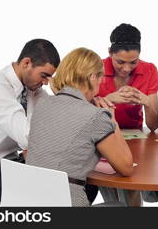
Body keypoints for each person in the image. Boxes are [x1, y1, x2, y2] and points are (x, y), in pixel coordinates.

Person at [26, 47, 133, 207]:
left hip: (31, 203)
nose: (101, 83)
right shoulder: (96, 117)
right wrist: (112, 119)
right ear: (92, 77)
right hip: (65, 204)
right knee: (120, 206)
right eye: (100, 77)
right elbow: (126, 167)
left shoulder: (42, 104)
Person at [0, 39, 60, 201]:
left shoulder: (33, 88)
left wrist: (63, 97)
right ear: (27, 63)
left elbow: (58, 122)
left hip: (11, 165)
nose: (47, 83)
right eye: (44, 75)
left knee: (78, 182)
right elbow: (28, 137)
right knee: (53, 191)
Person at [98, 23, 158, 131]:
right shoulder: (96, 68)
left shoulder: (149, 70)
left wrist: (147, 102)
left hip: (135, 134)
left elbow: (153, 126)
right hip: (99, 133)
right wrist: (108, 100)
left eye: (133, 62)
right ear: (110, 53)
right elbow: (80, 116)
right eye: (120, 62)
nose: (126, 68)